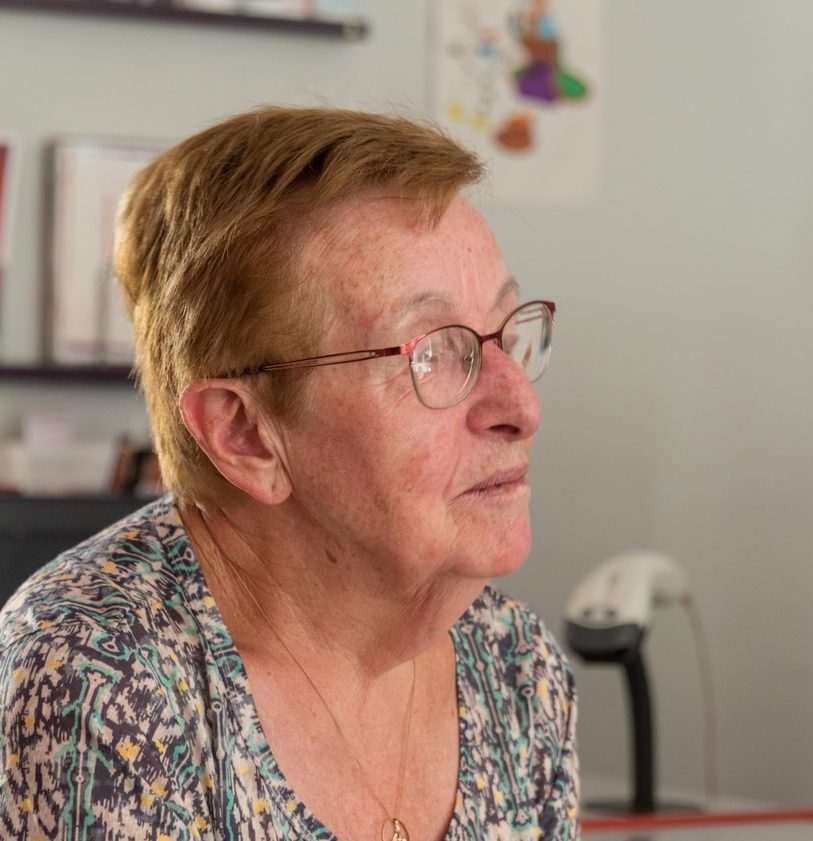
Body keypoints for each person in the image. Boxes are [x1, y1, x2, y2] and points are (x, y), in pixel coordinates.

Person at [0, 107, 579, 840]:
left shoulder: (519, 668)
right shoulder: (100, 686)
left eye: (505, 331)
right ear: (245, 434)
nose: (521, 406)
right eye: (433, 351)